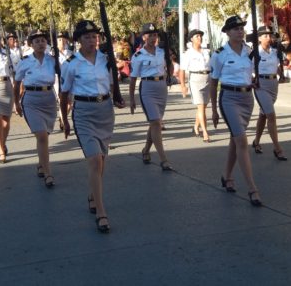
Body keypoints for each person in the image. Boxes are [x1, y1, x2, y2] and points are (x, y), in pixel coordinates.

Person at [60, 20, 123, 233]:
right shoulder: (71, 63)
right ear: (78, 40)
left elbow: (113, 84)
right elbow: (64, 92)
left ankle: (92, 195)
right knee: (95, 160)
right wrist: (65, 119)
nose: (92, 40)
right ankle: (101, 211)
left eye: (95, 36)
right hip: (83, 113)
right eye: (87, 37)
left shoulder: (106, 60)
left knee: (102, 161)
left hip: (105, 111)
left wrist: (117, 98)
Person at [210, 15, 262, 206]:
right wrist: (214, 110)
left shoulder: (249, 51)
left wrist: (254, 81)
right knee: (241, 140)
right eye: (235, 29)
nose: (240, 31)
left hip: (247, 99)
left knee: (235, 138)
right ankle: (252, 188)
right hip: (229, 98)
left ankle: (227, 175)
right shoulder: (220, 54)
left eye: (242, 28)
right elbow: (213, 82)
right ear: (227, 32)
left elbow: (250, 75)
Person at [14, 29, 57, 187]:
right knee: (42, 136)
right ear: (31, 44)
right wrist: (17, 102)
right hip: (31, 100)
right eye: (36, 41)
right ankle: (48, 173)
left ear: (47, 43)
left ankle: (41, 164)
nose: (40, 43)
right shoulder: (25, 61)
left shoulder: (53, 60)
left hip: (49, 99)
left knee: (44, 134)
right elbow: (17, 82)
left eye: (43, 40)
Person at [129, 23, 173, 171]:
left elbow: (169, 69)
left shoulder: (162, 52)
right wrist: (132, 99)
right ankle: (163, 159)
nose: (153, 37)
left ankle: (146, 150)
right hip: (147, 88)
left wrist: (170, 59)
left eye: (155, 35)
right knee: (156, 122)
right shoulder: (138, 56)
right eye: (150, 35)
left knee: (154, 122)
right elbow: (133, 78)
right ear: (144, 37)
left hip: (161, 87)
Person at [252, 26, 287, 160]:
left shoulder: (275, 51)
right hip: (261, 85)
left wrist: (282, 74)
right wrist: (251, 80)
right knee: (271, 115)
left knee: (263, 115)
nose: (268, 37)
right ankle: (277, 148)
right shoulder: (255, 52)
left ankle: (256, 141)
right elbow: (247, 68)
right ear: (259, 38)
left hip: (273, 84)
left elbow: (277, 67)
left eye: (269, 35)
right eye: (265, 35)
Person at [180, 29, 211, 142]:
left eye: (200, 36)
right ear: (191, 39)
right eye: (197, 36)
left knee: (203, 107)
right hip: (195, 79)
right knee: (201, 106)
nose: (199, 38)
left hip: (207, 78)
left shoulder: (207, 52)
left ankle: (195, 126)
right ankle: (205, 132)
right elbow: (182, 70)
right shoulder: (188, 53)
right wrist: (183, 86)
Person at [0, 44, 14, 163]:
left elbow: (14, 70)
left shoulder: (7, 54)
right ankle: (0, 151)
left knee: (5, 122)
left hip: (6, 85)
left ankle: (3, 144)